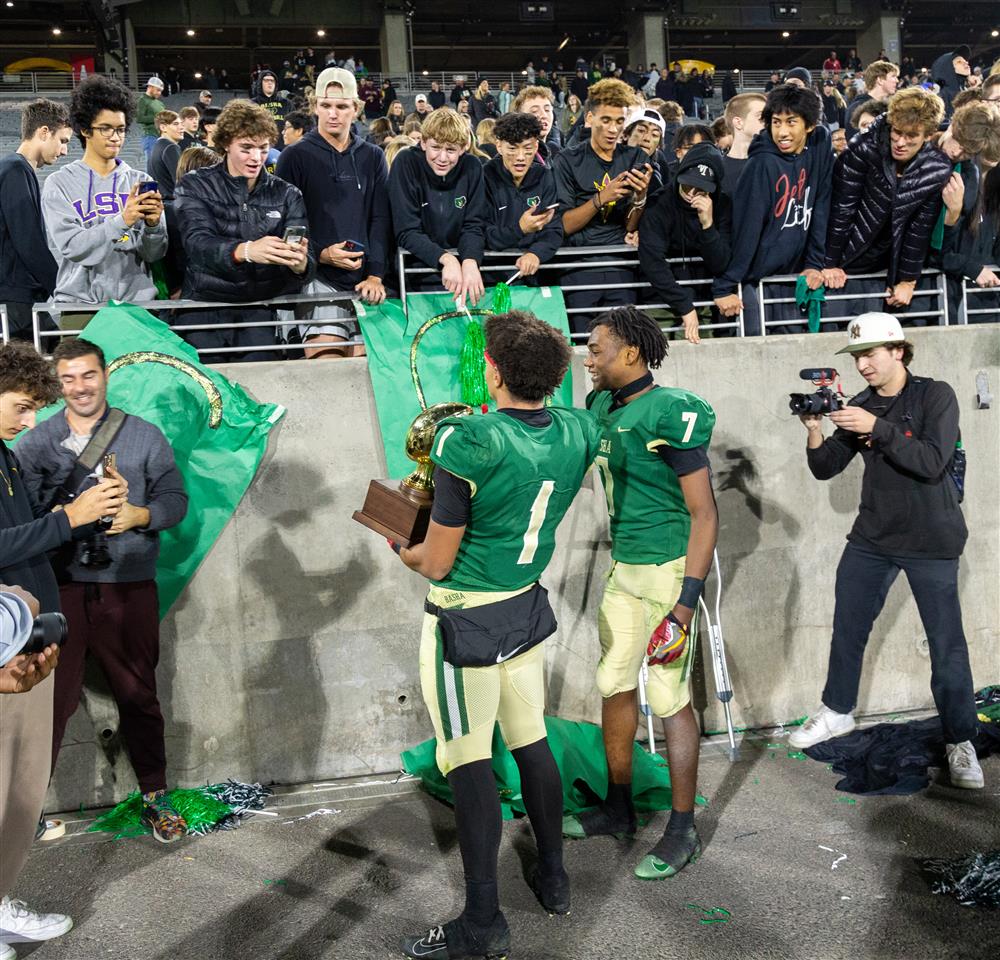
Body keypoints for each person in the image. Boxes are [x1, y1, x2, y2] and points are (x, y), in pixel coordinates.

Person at [394, 310, 602, 960]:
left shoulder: (470, 440)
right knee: (531, 739)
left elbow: (435, 560)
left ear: (494, 369)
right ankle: (555, 877)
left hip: (465, 616)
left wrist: (402, 542)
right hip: (524, 606)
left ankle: (482, 924)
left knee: (469, 761)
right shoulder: (577, 428)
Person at [788, 314, 984, 790]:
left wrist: (878, 426)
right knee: (848, 625)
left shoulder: (935, 396)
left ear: (899, 350)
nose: (863, 365)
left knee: (946, 644)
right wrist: (814, 428)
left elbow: (932, 461)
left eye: (871, 354)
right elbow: (825, 468)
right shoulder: (859, 404)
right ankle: (836, 711)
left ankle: (961, 741)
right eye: (856, 357)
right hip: (873, 537)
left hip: (931, 538)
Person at [15, 338, 189, 842]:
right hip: (59, 588)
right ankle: (25, 812)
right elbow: (18, 521)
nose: (78, 387)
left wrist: (143, 516)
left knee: (139, 696)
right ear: (56, 382)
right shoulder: (34, 442)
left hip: (128, 586)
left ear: (105, 375)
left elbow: (176, 499)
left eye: (87, 375)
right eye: (67, 378)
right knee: (47, 703)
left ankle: (156, 797)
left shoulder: (144, 436)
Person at [565, 306, 717, 881]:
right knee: (612, 684)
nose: (589, 356)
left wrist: (685, 603)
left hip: (666, 573)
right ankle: (619, 806)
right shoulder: (601, 406)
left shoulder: (670, 410)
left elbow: (704, 514)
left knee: (671, 696)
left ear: (630, 353)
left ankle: (683, 827)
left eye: (597, 347)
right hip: (624, 569)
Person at [0, 341, 126, 959]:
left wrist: (88, 513)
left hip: (31, 638)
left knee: (21, 795)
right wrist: (69, 518)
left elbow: (22, 539)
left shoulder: (3, 454)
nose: (29, 423)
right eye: (21, 408)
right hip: (3, 652)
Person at [173, 99, 313, 362]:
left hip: (260, 312)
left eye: (263, 148)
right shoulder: (194, 185)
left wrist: (300, 263)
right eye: (246, 148)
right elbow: (196, 243)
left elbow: (307, 260)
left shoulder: (287, 194)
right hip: (204, 309)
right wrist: (246, 251)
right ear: (226, 143)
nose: (256, 157)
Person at [276, 67, 390, 359]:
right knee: (328, 368)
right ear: (315, 107)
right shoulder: (294, 156)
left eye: (342, 106)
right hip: (316, 279)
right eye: (326, 105)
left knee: (367, 374)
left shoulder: (373, 156)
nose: (333, 114)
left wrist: (376, 274)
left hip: (365, 283)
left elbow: (380, 218)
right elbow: (285, 225)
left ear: (356, 109)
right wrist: (320, 254)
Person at [41, 76, 167, 326]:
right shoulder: (59, 184)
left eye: (120, 129)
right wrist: (123, 220)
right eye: (105, 128)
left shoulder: (140, 180)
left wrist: (153, 226)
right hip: (82, 309)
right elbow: (73, 247)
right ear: (85, 129)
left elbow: (153, 255)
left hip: (138, 306)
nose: (115, 137)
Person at [711, 83, 833, 335]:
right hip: (754, 281)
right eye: (776, 122)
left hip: (795, 275)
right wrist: (726, 284)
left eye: (791, 122)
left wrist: (814, 263)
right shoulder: (761, 164)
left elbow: (820, 207)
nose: (782, 131)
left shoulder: (819, 146)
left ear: (809, 125)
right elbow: (746, 229)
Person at [822, 88, 952, 315]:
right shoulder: (863, 148)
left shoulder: (937, 167)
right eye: (897, 132)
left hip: (888, 261)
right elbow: (842, 208)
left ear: (929, 135)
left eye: (911, 136)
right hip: (846, 256)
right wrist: (830, 262)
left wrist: (908, 280)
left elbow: (919, 229)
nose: (900, 142)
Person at [553, 78, 657, 333]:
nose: (613, 129)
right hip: (579, 267)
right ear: (590, 118)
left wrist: (641, 197)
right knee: (584, 346)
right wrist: (601, 198)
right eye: (606, 120)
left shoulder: (635, 157)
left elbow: (630, 225)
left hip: (621, 266)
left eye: (620, 122)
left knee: (623, 346)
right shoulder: (568, 159)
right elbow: (564, 224)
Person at [388, 106, 487, 307]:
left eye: (450, 150)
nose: (442, 158)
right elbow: (406, 230)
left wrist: (470, 260)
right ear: (423, 142)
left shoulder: (473, 167)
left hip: (460, 274)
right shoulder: (405, 162)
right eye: (436, 147)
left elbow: (474, 225)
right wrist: (445, 259)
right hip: (413, 275)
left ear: (463, 147)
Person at [638, 143, 733, 344]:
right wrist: (684, 305)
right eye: (688, 183)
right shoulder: (659, 204)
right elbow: (652, 262)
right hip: (661, 300)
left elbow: (721, 264)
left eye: (701, 189)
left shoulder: (722, 205)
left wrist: (707, 225)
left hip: (705, 299)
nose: (691, 192)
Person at [0, 100, 71, 342]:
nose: (64, 151)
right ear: (43, 132)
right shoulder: (15, 170)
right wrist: (62, 289)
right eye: (62, 141)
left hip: (16, 296)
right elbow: (28, 241)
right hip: (14, 300)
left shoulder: (16, 169)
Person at [484, 113, 562, 280]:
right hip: (492, 278)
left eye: (527, 148)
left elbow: (554, 229)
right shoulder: (484, 177)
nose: (520, 157)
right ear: (499, 146)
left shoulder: (545, 176)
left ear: (535, 147)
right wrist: (520, 230)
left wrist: (536, 254)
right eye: (512, 148)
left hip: (535, 278)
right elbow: (483, 234)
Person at [719, 92, 765, 198]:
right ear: (738, 123)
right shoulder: (717, 170)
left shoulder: (774, 164)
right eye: (761, 118)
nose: (769, 124)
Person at [845, 61, 899, 136]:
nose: (897, 80)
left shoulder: (888, 107)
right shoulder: (857, 108)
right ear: (880, 80)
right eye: (893, 76)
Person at [510, 86, 561, 162]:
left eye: (547, 110)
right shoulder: (513, 159)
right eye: (534, 111)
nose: (544, 115)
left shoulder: (555, 151)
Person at [147, 110, 184, 201]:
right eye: (175, 124)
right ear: (163, 127)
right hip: (172, 205)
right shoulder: (171, 147)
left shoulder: (157, 146)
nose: (182, 128)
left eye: (181, 124)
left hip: (162, 204)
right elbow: (181, 181)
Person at [931, 45, 973, 117]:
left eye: (965, 61)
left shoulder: (965, 90)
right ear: (947, 68)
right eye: (959, 62)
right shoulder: (938, 96)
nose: (966, 63)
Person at [253, 70, 291, 143]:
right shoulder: (252, 104)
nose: (270, 83)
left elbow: (294, 123)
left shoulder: (286, 103)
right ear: (260, 83)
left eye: (272, 81)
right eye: (266, 80)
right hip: (260, 145)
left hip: (283, 147)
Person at [135, 75, 165, 163]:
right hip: (150, 136)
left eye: (160, 91)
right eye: (158, 90)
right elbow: (139, 118)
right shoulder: (142, 100)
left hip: (161, 136)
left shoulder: (159, 103)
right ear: (150, 87)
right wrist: (157, 118)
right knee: (152, 164)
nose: (159, 93)